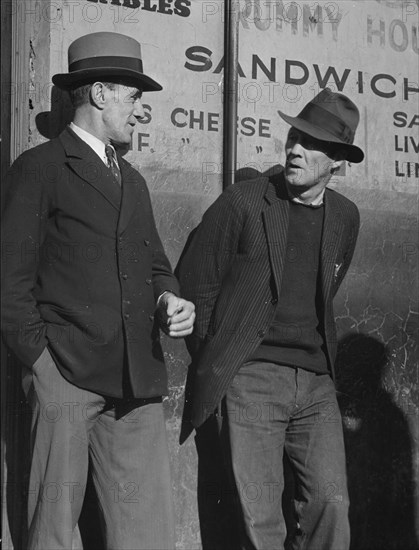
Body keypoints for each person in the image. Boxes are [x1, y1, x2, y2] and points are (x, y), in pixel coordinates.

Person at [1, 32, 195, 550]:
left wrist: (168, 298)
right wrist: (42, 366)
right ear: (101, 93)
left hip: (136, 382)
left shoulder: (133, 180)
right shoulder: (40, 168)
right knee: (53, 532)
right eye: (133, 97)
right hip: (64, 374)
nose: (139, 110)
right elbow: (9, 282)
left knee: (147, 533)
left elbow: (157, 266)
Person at [177, 88, 364, 549]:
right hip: (252, 375)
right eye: (294, 136)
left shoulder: (345, 216)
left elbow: (326, 288)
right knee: (258, 520)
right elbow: (195, 286)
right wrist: (227, 358)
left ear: (338, 161)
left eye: (313, 143)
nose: (296, 149)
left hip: (317, 382)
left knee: (331, 505)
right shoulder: (242, 203)